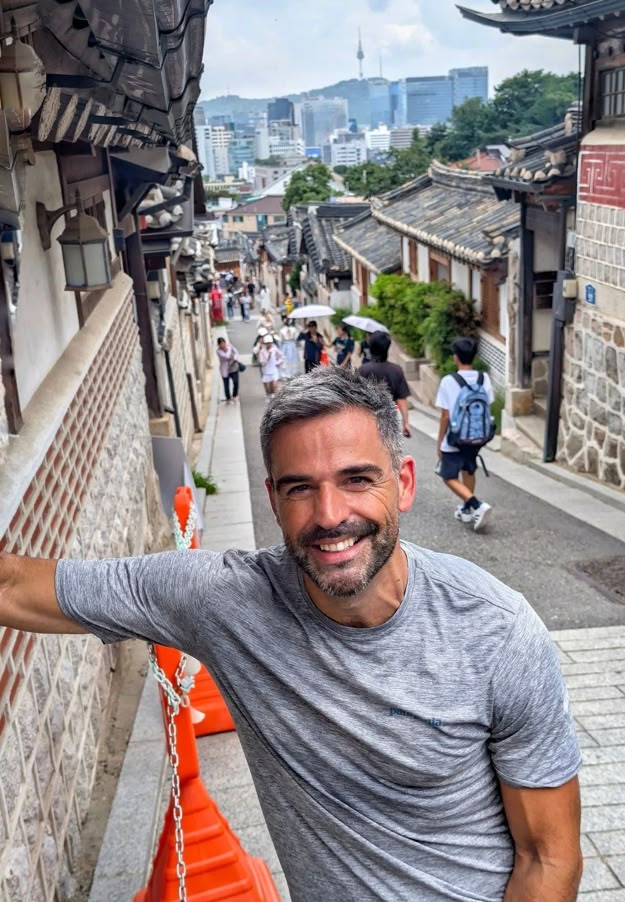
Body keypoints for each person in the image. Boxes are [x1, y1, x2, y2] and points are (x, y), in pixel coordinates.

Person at [0, 367, 582, 902]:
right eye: (300, 488)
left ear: (403, 483)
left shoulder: (497, 634)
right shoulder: (227, 603)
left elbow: (549, 858)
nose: (329, 515)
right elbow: (16, 586)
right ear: (273, 502)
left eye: (356, 479)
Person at [435, 337, 494, 532]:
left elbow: (445, 415)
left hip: (455, 437)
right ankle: (467, 509)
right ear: (474, 357)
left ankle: (476, 505)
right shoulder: (484, 378)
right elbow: (487, 405)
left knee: (448, 476)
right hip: (477, 436)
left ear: (455, 357)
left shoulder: (448, 381)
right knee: (468, 470)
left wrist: (440, 440)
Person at [359, 331, 412, 438]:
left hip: (367, 420)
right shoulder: (396, 370)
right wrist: (406, 422)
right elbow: (401, 399)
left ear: (371, 347)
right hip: (389, 421)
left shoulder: (363, 370)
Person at [216, 336, 240, 404]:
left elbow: (236, 353)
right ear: (219, 345)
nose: (223, 345)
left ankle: (234, 395)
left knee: (236, 382)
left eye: (223, 343)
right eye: (221, 344)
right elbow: (226, 356)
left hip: (233, 368)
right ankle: (228, 397)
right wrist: (230, 348)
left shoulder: (230, 347)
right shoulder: (218, 351)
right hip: (225, 369)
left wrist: (235, 358)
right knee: (226, 385)